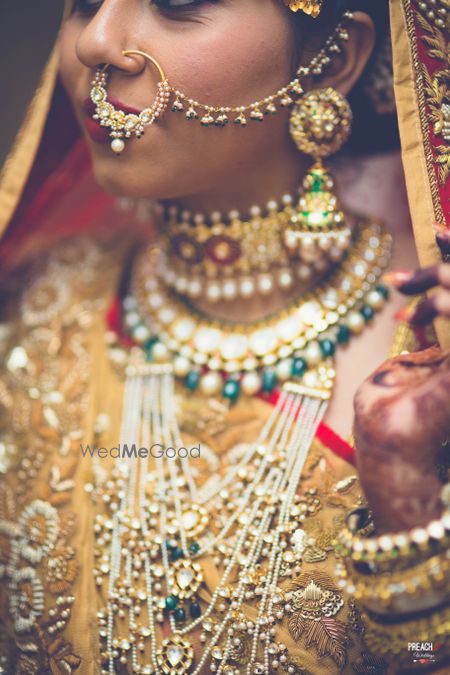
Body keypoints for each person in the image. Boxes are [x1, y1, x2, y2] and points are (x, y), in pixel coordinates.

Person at [0, 1, 449, 673]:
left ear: (337, 59)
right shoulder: (35, 302)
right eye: (85, 2)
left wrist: (409, 500)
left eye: (177, 3)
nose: (96, 41)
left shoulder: (428, 360)